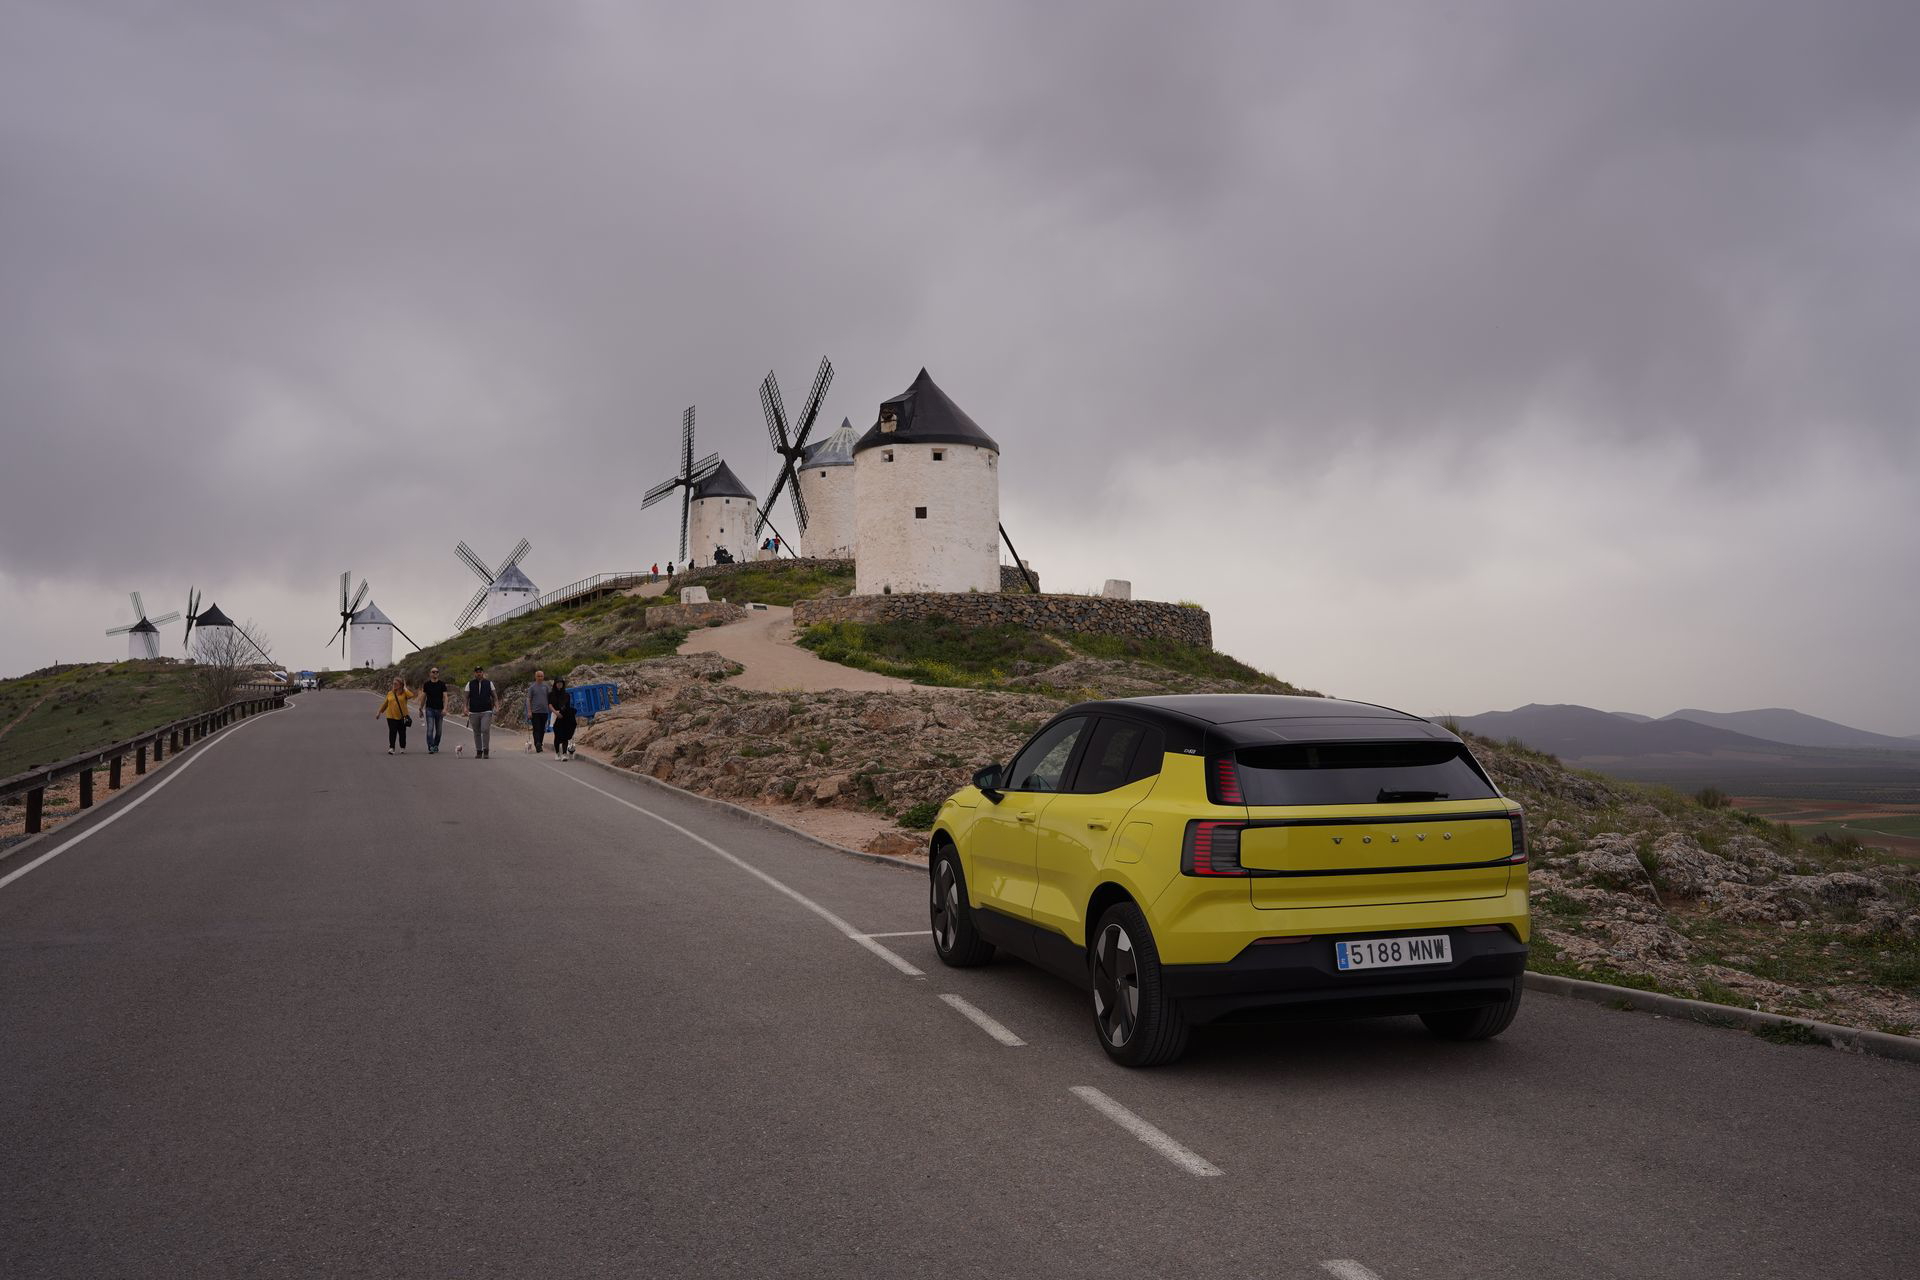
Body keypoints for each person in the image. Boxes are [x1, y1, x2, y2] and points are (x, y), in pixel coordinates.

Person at [376, 677, 416, 754]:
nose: (394, 685)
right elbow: (385, 704)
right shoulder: (390, 693)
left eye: (396, 684)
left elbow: (411, 695)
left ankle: (402, 746)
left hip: (402, 717)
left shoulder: (404, 693)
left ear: (400, 685)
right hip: (391, 716)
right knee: (392, 732)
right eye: (393, 683)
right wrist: (379, 712)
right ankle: (392, 748)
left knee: (402, 733)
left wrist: (405, 688)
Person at [465, 666, 496, 758]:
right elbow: (466, 697)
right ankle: (479, 751)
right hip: (473, 712)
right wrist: (465, 707)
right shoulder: (469, 684)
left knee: (485, 729)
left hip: (486, 710)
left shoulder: (489, 683)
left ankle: (486, 750)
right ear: (474, 673)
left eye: (480, 671)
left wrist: (496, 706)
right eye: (477, 672)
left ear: (483, 672)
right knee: (476, 732)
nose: (478, 673)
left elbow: (495, 696)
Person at [420, 665, 448, 754]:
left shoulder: (442, 684)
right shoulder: (427, 684)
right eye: (433, 672)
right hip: (430, 709)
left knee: (439, 731)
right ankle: (431, 746)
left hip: (439, 710)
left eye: (437, 672)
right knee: (430, 729)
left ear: (438, 674)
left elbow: (445, 697)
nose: (435, 673)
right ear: (430, 674)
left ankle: (436, 745)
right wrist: (420, 708)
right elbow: (424, 697)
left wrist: (445, 708)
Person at [550, 677, 577, 760]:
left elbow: (567, 706)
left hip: (564, 716)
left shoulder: (566, 694)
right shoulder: (551, 694)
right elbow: (550, 705)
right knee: (557, 735)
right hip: (555, 714)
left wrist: (564, 713)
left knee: (565, 735)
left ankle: (564, 754)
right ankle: (557, 753)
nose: (559, 684)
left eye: (561, 683)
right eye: (558, 683)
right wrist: (556, 712)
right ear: (555, 684)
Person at [527, 669, 552, 754]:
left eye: (541, 676)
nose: (540, 678)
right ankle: (537, 744)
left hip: (545, 712)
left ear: (543, 677)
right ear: (535, 677)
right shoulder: (532, 687)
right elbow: (529, 700)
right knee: (536, 729)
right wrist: (529, 711)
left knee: (542, 729)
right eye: (538, 676)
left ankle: (540, 743)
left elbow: (550, 698)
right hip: (535, 712)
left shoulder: (546, 687)